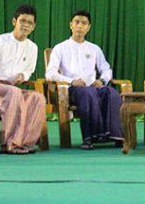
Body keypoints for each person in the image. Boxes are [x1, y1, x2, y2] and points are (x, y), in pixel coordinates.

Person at [45, 10, 124, 149]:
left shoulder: (94, 48)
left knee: (111, 93)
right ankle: (90, 138)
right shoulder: (60, 48)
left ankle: (116, 136)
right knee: (88, 93)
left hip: (93, 87)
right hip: (72, 89)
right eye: (77, 22)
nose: (80, 26)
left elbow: (106, 69)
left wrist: (102, 80)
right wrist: (71, 81)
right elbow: (50, 73)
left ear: (89, 27)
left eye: (84, 23)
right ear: (71, 25)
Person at [0, 4, 46, 154]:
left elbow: (29, 69)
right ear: (14, 21)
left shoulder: (33, 47)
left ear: (33, 27)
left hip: (12, 89)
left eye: (30, 23)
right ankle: (9, 144)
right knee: (14, 92)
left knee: (37, 98)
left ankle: (25, 143)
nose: (26, 25)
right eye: (23, 21)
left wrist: (23, 76)